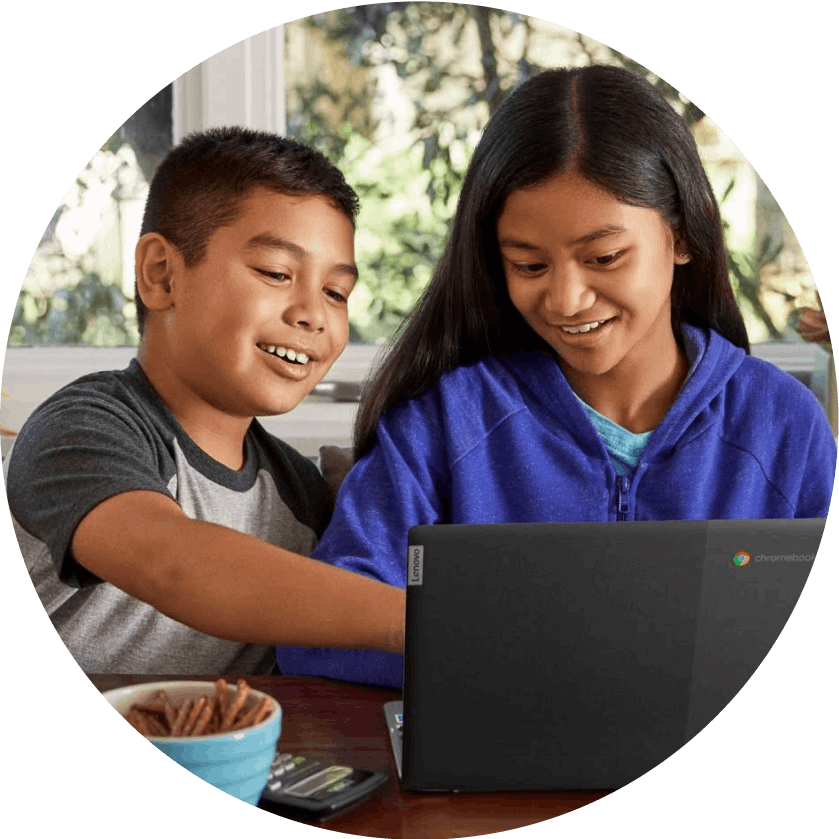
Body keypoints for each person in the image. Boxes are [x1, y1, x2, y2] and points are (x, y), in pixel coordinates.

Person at [275, 65, 837, 688]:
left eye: (604, 258)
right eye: (529, 264)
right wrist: (518, 655)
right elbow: (316, 639)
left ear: (680, 236)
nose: (566, 299)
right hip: (488, 782)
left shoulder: (783, 423)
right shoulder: (442, 423)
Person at [4, 127, 404, 674]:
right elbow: (173, 561)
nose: (314, 314)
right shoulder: (84, 428)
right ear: (162, 274)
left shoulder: (298, 496)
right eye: (277, 274)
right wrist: (418, 619)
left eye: (337, 293)